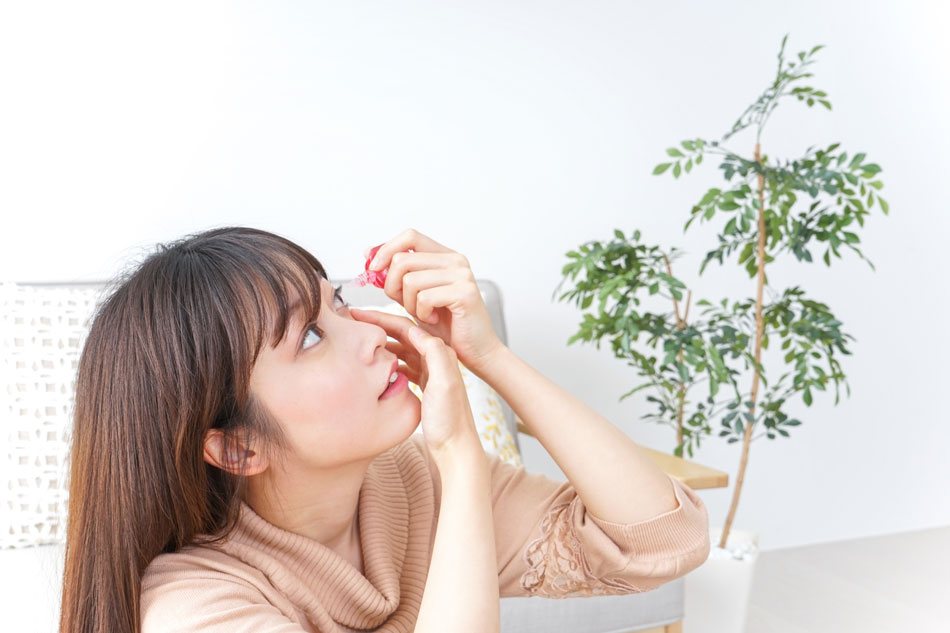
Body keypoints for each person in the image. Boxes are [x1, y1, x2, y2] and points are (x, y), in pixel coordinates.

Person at [59, 226, 711, 633]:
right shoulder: (192, 607)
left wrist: (491, 357)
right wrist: (459, 455)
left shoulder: (408, 480)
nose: (372, 331)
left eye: (339, 301)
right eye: (311, 335)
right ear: (237, 445)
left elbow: (664, 540)